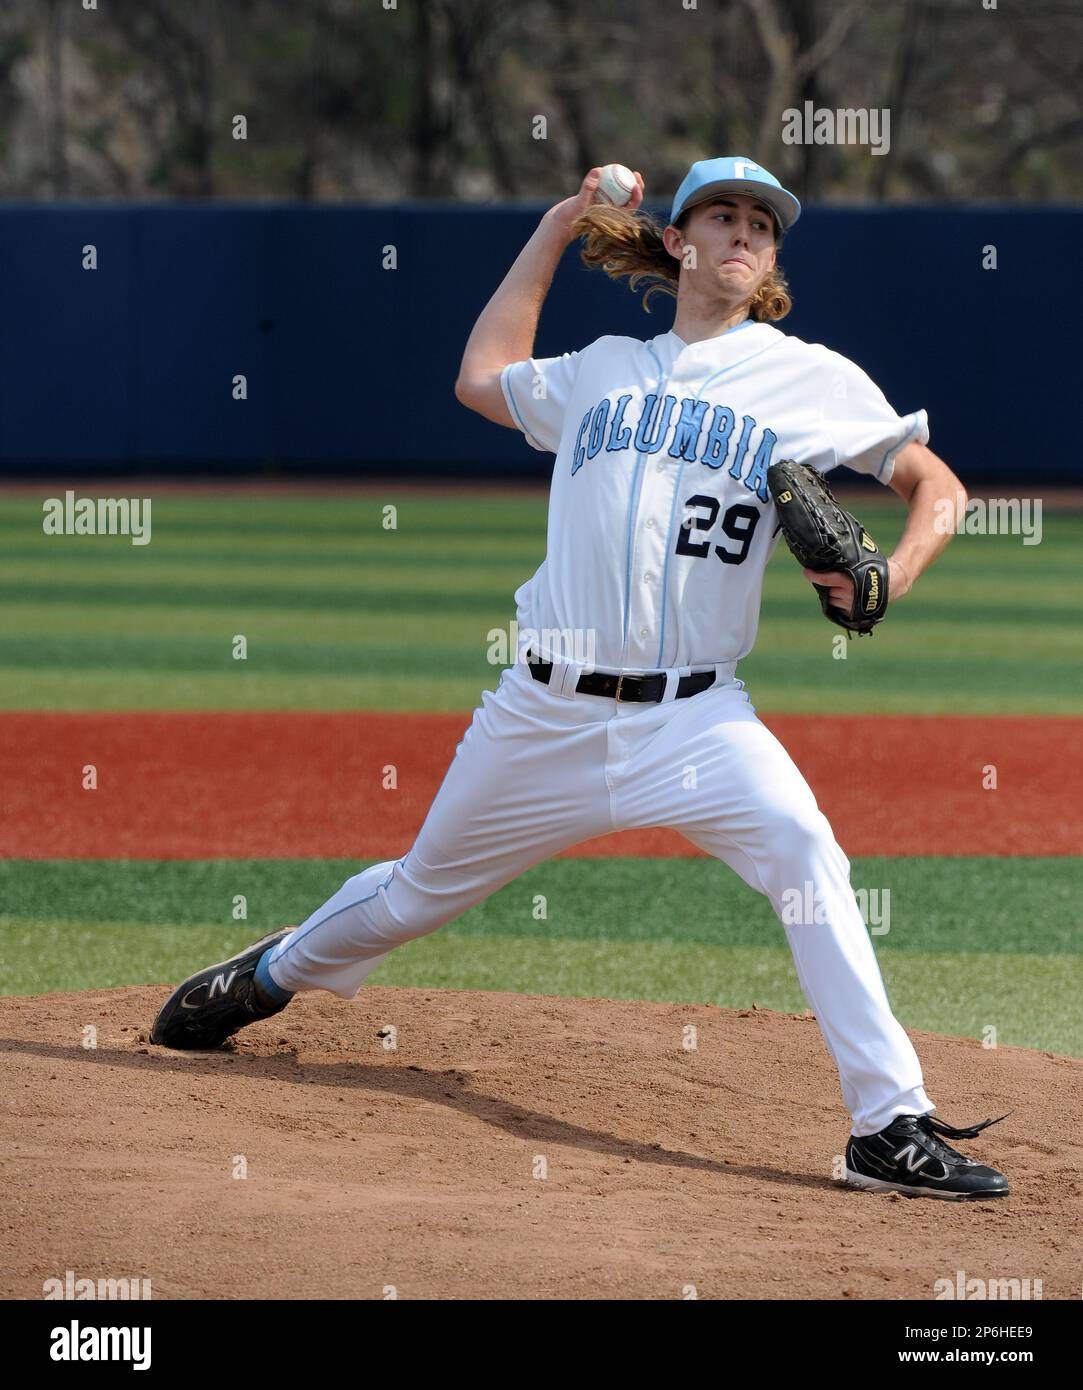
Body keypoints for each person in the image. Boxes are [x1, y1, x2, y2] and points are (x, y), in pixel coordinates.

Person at [151, 157, 1009, 1201]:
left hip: (697, 722)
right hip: (541, 711)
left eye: (761, 224)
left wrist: (888, 577)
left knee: (803, 848)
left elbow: (938, 484)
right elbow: (479, 377)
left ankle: (888, 1123)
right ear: (680, 241)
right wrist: (558, 223)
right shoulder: (601, 367)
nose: (741, 233)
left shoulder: (810, 379)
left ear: (773, 259)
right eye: (720, 216)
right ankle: (269, 974)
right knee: (417, 893)